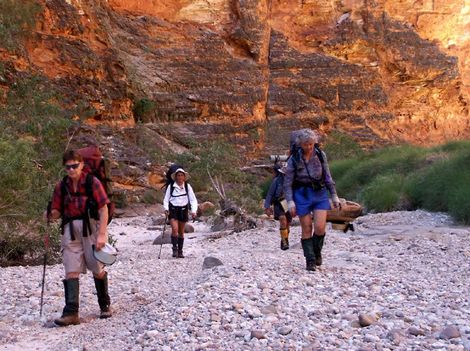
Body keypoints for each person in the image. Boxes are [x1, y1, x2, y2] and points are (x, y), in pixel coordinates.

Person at [46, 150, 112, 326]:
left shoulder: (92, 182)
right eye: (68, 167)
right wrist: (50, 213)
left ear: (82, 164)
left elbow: (103, 208)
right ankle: (71, 312)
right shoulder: (62, 186)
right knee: (71, 269)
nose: (71, 169)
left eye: (75, 165)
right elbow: (57, 213)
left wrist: (102, 234)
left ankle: (104, 305)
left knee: (97, 268)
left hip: (91, 228)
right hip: (70, 229)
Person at [284, 129, 340, 271]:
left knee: (320, 227)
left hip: (319, 193)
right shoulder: (294, 159)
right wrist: (290, 201)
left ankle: (317, 253)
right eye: (305, 144)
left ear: (315, 143)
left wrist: (334, 195)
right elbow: (288, 182)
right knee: (307, 227)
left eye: (311, 144)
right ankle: (310, 260)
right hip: (301, 194)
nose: (308, 147)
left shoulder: (320, 155)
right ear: (300, 144)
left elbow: (327, 176)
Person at [163, 168, 198, 258]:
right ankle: (174, 249)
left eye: (182, 175)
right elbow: (166, 200)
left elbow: (193, 199)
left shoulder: (187, 186)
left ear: (184, 177)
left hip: (183, 210)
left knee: (181, 232)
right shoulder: (171, 187)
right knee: (175, 229)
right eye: (178, 175)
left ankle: (180, 251)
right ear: (175, 177)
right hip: (173, 210)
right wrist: (166, 209)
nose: (180, 177)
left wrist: (194, 211)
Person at [264, 164, 292, 250]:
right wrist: (267, 207)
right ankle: (284, 241)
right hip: (278, 203)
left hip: (289, 203)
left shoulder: (293, 181)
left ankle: (285, 239)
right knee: (283, 220)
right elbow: (270, 194)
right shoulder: (276, 181)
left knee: (288, 224)